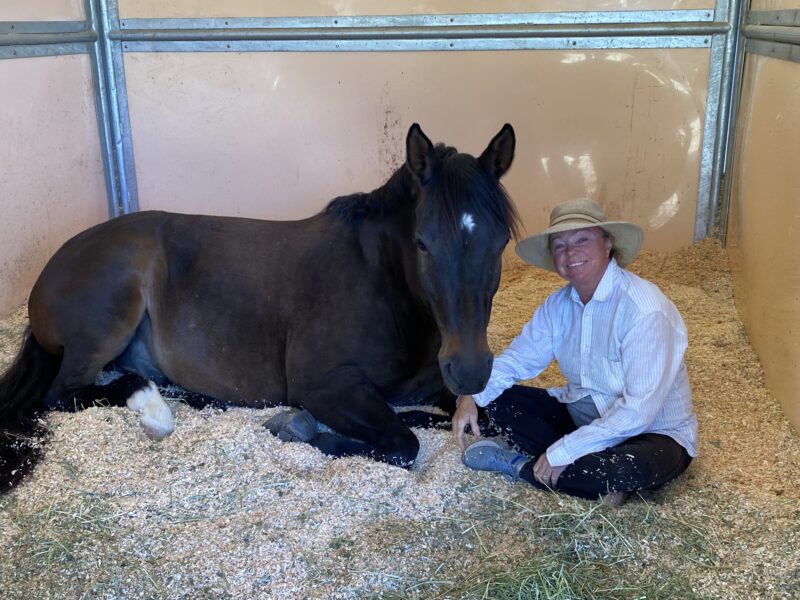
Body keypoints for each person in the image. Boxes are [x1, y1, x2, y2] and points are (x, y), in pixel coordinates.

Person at [451, 198, 697, 506]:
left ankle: (521, 467)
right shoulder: (558, 305)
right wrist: (471, 397)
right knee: (499, 401)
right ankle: (583, 476)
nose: (570, 253)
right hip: (584, 418)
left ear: (608, 243)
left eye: (582, 240)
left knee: (623, 469)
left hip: (652, 433)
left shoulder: (644, 310)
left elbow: (638, 412)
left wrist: (561, 452)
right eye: (560, 245)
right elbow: (519, 359)